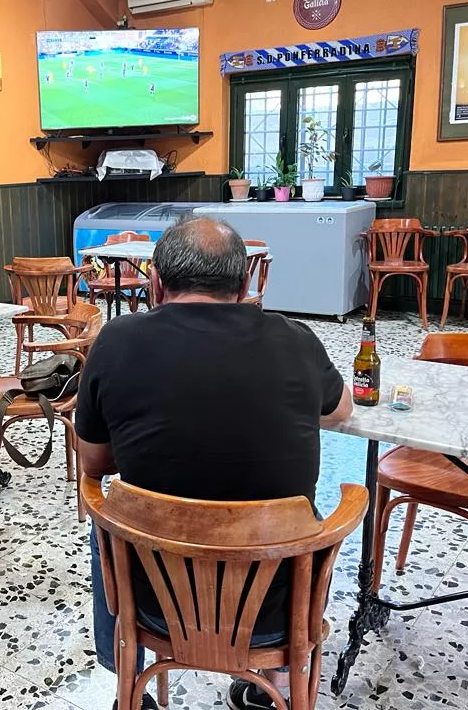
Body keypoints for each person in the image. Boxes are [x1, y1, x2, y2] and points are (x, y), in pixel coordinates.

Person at [76, 216, 353, 710]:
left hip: (155, 601)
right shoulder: (297, 341)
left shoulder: (114, 341)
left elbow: (93, 465)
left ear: (156, 283)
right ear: (246, 281)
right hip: (276, 608)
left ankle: (125, 678)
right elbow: (341, 410)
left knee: (107, 518)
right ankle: (281, 686)